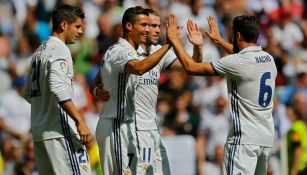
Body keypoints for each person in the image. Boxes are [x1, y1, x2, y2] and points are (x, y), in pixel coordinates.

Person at [166, 14, 277, 175]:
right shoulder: (268, 59)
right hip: (265, 139)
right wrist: (219, 41)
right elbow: (243, 57)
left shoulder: (237, 62)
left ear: (238, 35)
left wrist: (174, 40)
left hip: (243, 141)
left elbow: (191, 68)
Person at [89, 6, 172, 175]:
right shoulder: (121, 51)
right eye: (144, 25)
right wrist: (170, 44)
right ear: (129, 26)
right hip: (116, 125)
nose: (148, 30)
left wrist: (97, 92)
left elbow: (95, 82)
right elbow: (139, 68)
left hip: (124, 125)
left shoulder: (126, 51)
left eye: (150, 25)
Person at [23, 4, 92, 175]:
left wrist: (44, 108)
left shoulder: (39, 52)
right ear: (63, 25)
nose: (81, 31)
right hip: (59, 132)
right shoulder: (60, 49)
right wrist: (79, 120)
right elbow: (57, 86)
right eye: (77, 26)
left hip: (40, 133)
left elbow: (27, 94)